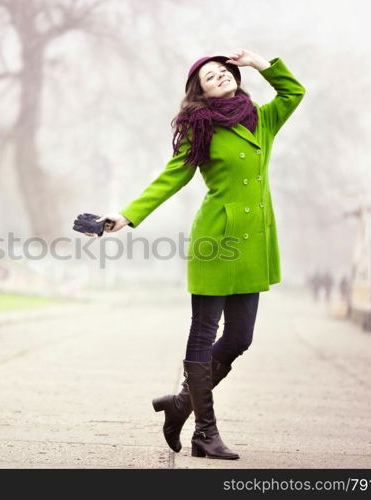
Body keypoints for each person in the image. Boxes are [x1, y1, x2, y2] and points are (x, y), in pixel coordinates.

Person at [91, 48, 305, 459]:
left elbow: (293, 92)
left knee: (240, 338)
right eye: (209, 75)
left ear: (235, 77)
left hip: (253, 244)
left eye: (223, 70)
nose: (220, 76)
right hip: (216, 240)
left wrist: (261, 63)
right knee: (204, 335)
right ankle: (205, 432)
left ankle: (180, 405)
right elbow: (172, 177)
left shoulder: (261, 119)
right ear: (200, 90)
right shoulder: (199, 127)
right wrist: (127, 215)